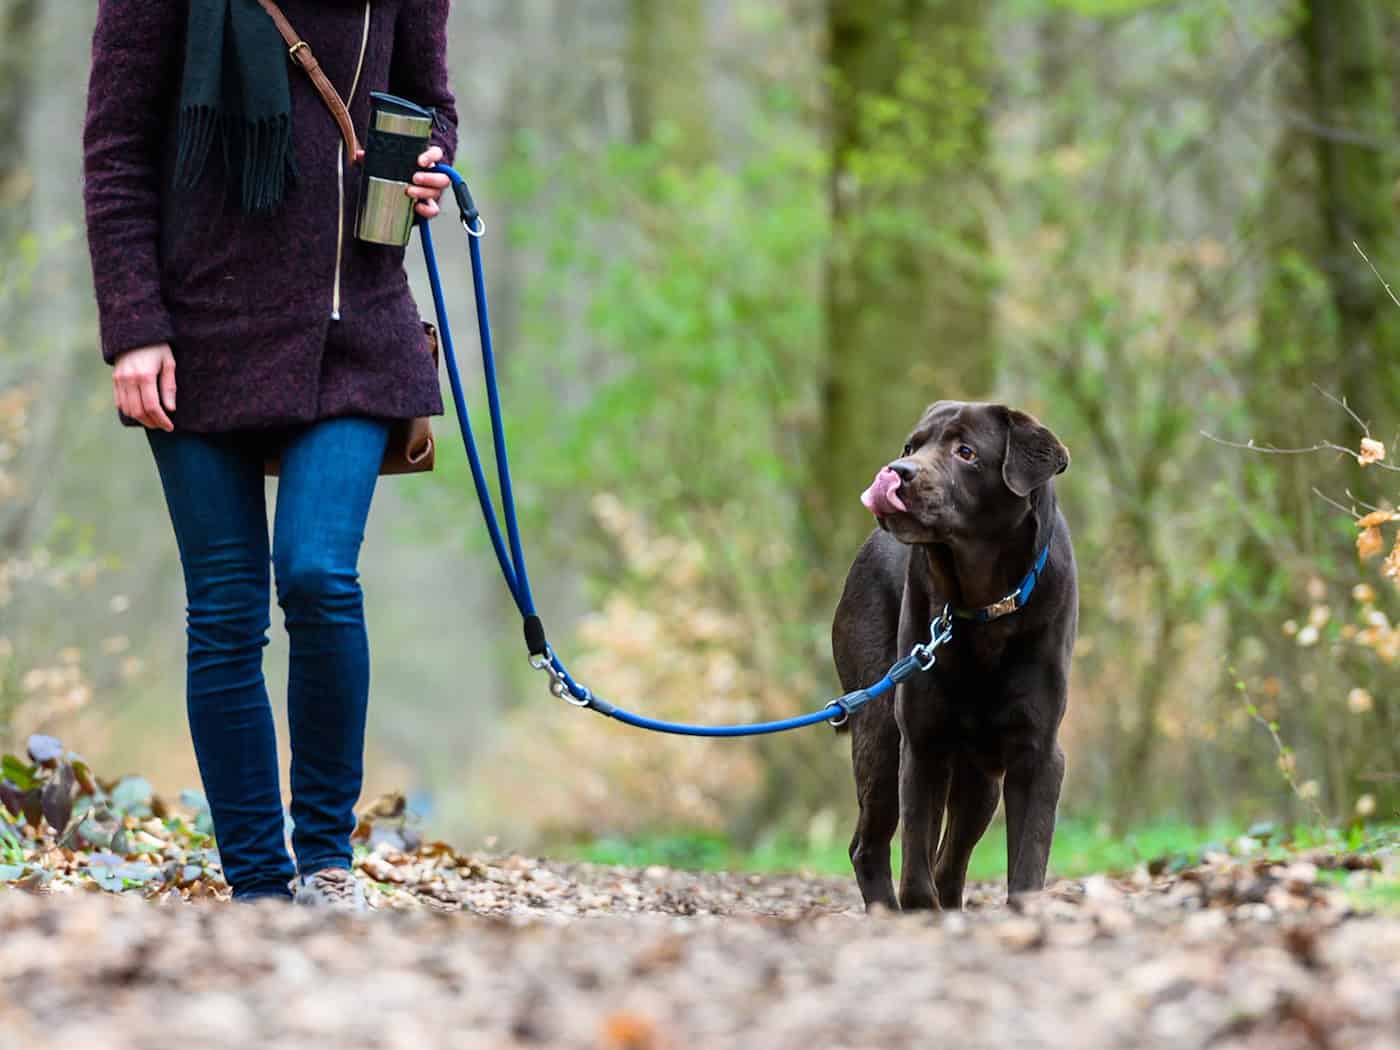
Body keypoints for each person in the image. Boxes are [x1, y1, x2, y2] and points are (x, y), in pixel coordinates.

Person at [82, 0, 458, 909]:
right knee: (225, 609)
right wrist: (134, 327)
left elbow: (430, 105)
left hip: (352, 328)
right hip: (197, 333)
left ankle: (326, 863)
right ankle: (258, 885)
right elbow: (116, 151)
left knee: (320, 575)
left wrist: (430, 168)